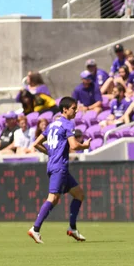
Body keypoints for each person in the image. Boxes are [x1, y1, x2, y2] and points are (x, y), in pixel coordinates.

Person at [28, 97, 92, 244]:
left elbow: (36, 144)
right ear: (65, 109)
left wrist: (51, 153)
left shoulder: (52, 125)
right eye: (73, 108)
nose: (76, 111)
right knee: (53, 199)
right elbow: (74, 146)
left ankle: (72, 228)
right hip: (60, 167)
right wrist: (85, 146)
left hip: (53, 165)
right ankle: (35, 229)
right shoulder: (67, 124)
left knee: (79, 194)